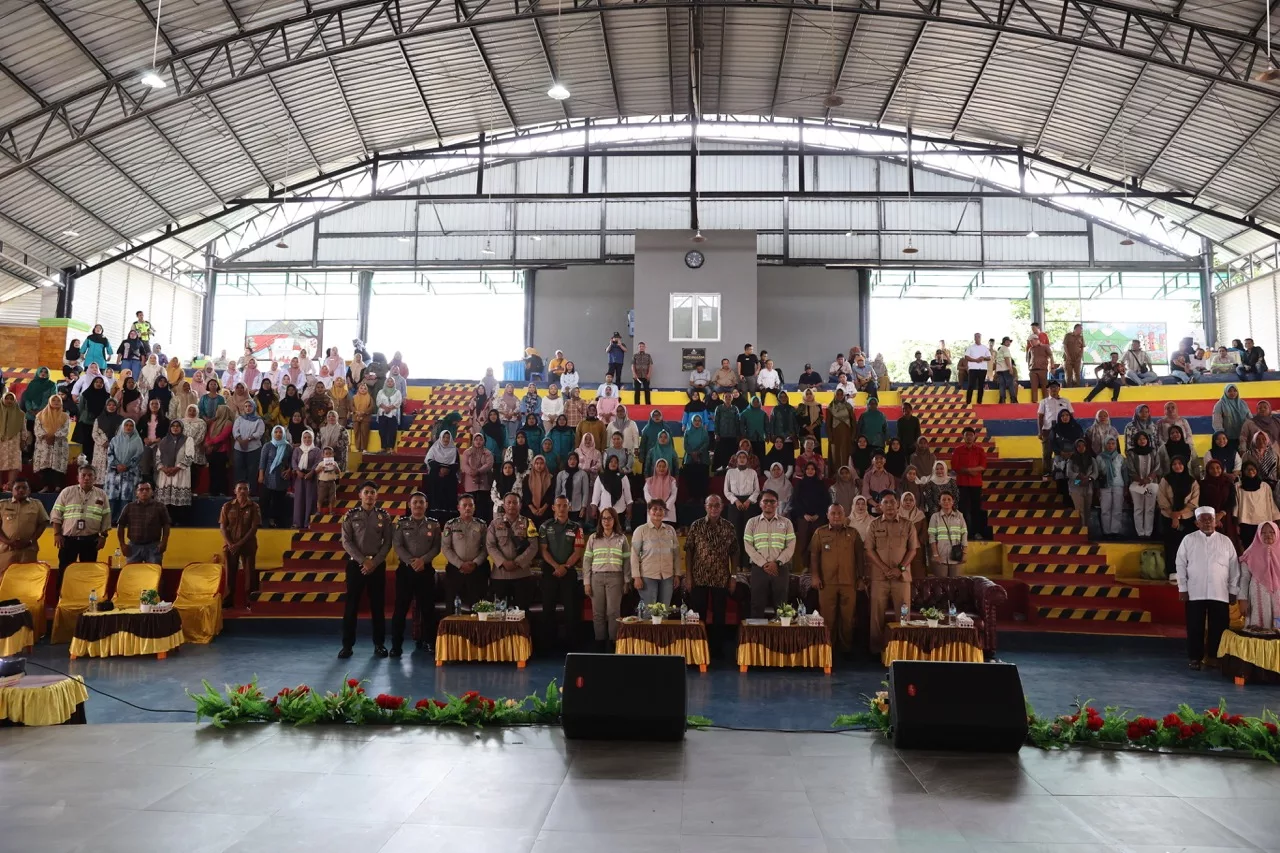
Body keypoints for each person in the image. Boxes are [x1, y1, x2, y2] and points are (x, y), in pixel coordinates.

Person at [1176, 506, 1240, 669]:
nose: (1207, 522)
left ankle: (1215, 657)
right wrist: (1182, 587)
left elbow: (1234, 567)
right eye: (1203, 520)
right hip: (1194, 591)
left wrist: (1233, 590)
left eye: (1210, 519)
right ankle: (1195, 658)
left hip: (1220, 591)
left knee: (1219, 626)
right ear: (1197, 523)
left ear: (1216, 521)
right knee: (1194, 626)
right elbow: (1180, 564)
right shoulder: (1188, 540)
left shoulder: (1225, 541)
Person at [336, 482, 393, 659]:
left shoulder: (384, 516)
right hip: (356, 565)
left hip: (376, 565)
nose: (369, 495)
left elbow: (388, 542)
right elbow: (346, 542)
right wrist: (363, 561)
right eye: (366, 492)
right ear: (360, 495)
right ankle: (347, 646)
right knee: (351, 606)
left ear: (376, 496)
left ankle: (379, 644)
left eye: (372, 492)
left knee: (377, 606)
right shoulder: (350, 516)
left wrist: (374, 562)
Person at [387, 492, 442, 658]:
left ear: (426, 505)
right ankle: (396, 645)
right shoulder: (402, 524)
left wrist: (422, 561)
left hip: (425, 571)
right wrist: (412, 562)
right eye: (415, 502)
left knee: (428, 609)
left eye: (421, 502)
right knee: (400, 610)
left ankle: (429, 642)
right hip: (406, 571)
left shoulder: (434, 524)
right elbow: (398, 545)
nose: (418, 505)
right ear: (410, 505)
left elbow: (436, 547)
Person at [865, 493, 918, 653]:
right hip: (879, 578)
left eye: (892, 502)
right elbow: (869, 550)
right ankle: (876, 651)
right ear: (880, 506)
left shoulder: (908, 525)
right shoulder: (873, 525)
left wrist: (900, 568)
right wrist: (884, 568)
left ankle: (902, 650)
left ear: (898, 505)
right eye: (885, 502)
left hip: (901, 578)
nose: (889, 506)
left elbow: (913, 550)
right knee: (876, 616)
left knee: (903, 614)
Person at [49, 466, 110, 587]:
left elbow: (106, 517)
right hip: (68, 540)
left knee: (88, 573)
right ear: (78, 478)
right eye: (84, 475)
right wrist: (56, 534)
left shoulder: (102, 494)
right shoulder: (67, 492)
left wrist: (103, 537)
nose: (87, 478)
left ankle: (86, 602)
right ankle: (60, 601)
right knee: (64, 571)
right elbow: (56, 514)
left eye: (90, 475)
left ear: (95, 478)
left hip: (90, 540)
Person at [538, 496, 584, 650]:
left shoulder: (577, 528)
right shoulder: (545, 526)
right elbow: (543, 550)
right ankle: (547, 646)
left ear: (569, 507)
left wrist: (565, 566)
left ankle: (572, 646)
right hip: (550, 572)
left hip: (569, 572)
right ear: (553, 507)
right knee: (547, 609)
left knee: (571, 610)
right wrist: (556, 566)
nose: (562, 509)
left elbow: (578, 552)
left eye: (565, 506)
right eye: (559, 505)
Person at [742, 489, 796, 618]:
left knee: (782, 606)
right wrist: (764, 564)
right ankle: (756, 638)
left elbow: (791, 546)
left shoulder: (787, 523)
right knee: (757, 605)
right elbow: (748, 546)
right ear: (760, 503)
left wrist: (776, 563)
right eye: (765, 501)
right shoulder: (752, 522)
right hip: (759, 569)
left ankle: (781, 637)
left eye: (772, 501)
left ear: (777, 503)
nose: (769, 504)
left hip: (780, 568)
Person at [583, 506, 630, 648]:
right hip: (596, 578)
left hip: (616, 578)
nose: (606, 521)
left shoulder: (622, 539)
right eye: (603, 518)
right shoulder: (593, 538)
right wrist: (586, 582)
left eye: (609, 518)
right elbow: (587, 561)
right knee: (598, 613)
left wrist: (627, 580)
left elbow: (627, 561)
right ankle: (600, 643)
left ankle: (613, 644)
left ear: (614, 520)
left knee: (613, 612)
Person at [486, 492, 538, 610]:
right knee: (499, 614)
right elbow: (490, 546)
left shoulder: (528, 523)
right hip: (500, 576)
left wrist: (517, 562)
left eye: (515, 502)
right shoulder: (494, 524)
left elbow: (533, 546)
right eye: (508, 502)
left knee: (522, 612)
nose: (511, 505)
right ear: (503, 505)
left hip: (521, 574)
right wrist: (503, 562)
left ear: (520, 505)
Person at [631, 499, 681, 606]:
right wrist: (636, 577)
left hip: (667, 577)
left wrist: (677, 575)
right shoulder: (641, 530)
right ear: (649, 511)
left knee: (664, 611)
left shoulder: (670, 530)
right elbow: (634, 555)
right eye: (654, 509)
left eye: (661, 509)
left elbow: (676, 555)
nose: (658, 512)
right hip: (648, 577)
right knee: (649, 613)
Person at [1158, 455, 1199, 577]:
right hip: (1168, 517)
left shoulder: (1192, 481)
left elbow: (1194, 501)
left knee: (1187, 546)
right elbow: (1162, 499)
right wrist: (1173, 515)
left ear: (1184, 465)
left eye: (1180, 464)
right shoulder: (1165, 480)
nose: (1177, 466)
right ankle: (1172, 571)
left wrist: (1179, 514)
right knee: (1171, 544)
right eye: (1174, 464)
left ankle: (1188, 571)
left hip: (1187, 518)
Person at [0, 478, 48, 579]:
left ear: (29, 491)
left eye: (24, 488)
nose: (21, 490)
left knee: (26, 579)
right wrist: (8, 542)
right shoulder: (2, 505)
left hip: (28, 549)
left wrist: (31, 540)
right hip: (7, 550)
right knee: (5, 578)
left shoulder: (36, 504)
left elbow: (43, 523)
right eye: (17, 488)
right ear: (12, 490)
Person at [115, 481, 170, 566]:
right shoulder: (129, 507)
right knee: (132, 575)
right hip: (133, 546)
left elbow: (166, 524)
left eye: (147, 489)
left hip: (153, 546)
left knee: (154, 574)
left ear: (152, 492)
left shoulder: (160, 506)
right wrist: (122, 544)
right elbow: (120, 525)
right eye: (141, 489)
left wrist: (164, 542)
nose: (144, 492)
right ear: (136, 493)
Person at [1239, 520, 1280, 631]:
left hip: (1278, 595)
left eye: (1271, 532)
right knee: (1259, 630)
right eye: (1263, 532)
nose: (1268, 535)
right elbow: (1244, 578)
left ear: (1277, 533)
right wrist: (1242, 599)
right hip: (1258, 596)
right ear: (1258, 534)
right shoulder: (1249, 553)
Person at [952, 427, 988, 539]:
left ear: (974, 437)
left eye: (971, 435)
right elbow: (955, 466)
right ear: (963, 437)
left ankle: (976, 532)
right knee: (962, 509)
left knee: (976, 509)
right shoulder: (958, 450)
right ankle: (964, 532)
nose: (968, 437)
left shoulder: (980, 450)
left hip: (976, 484)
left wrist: (969, 470)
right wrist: (970, 471)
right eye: (966, 435)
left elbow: (983, 466)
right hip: (962, 484)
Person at [154, 420, 193, 520]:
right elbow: (158, 457)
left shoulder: (187, 440)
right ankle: (166, 521)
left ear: (181, 428)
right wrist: (164, 468)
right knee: (165, 501)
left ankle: (179, 522)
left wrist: (176, 468)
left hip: (180, 472)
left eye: (178, 426)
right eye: (173, 426)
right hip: (165, 473)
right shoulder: (164, 440)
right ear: (170, 428)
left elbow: (189, 456)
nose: (175, 428)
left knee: (178, 502)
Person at [1036, 381, 1073, 481]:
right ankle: (1046, 474)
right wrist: (1040, 432)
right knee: (1047, 453)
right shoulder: (1044, 402)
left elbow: (1071, 416)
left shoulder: (1066, 401)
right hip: (1048, 430)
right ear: (1048, 389)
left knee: (1062, 452)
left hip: (1063, 431)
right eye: (1051, 387)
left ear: (1059, 388)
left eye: (1056, 387)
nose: (1053, 389)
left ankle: (1062, 473)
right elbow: (1040, 417)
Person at [926, 491, 967, 578]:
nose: (946, 501)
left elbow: (964, 534)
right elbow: (932, 537)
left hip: (956, 556)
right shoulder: (935, 517)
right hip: (941, 556)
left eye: (949, 499)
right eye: (943, 499)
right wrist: (935, 555)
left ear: (953, 502)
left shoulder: (959, 516)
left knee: (955, 584)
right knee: (941, 584)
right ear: (939, 502)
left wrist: (964, 553)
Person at [257, 425, 292, 528]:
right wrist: (261, 475)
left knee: (279, 502)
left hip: (281, 478)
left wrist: (289, 470)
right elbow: (262, 462)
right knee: (264, 500)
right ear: (273, 433)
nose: (278, 434)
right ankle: (261, 522)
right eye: (276, 432)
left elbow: (291, 462)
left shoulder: (288, 447)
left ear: (284, 434)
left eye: (280, 432)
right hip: (268, 477)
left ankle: (276, 522)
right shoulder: (267, 446)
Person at [961, 332, 990, 404]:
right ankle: (968, 402)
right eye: (976, 337)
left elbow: (989, 357)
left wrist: (983, 358)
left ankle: (979, 402)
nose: (977, 338)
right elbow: (966, 357)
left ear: (980, 338)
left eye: (979, 337)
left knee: (981, 386)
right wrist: (975, 360)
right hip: (973, 369)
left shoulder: (984, 348)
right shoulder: (971, 347)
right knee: (971, 385)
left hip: (982, 369)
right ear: (974, 338)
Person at [375, 377, 402, 453]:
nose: (390, 383)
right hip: (382, 413)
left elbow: (398, 401)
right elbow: (378, 401)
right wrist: (385, 408)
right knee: (382, 431)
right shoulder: (381, 392)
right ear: (386, 383)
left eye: (391, 381)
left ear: (394, 383)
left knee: (392, 431)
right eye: (388, 381)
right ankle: (383, 447)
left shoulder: (397, 392)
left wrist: (390, 408)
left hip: (393, 414)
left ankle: (391, 448)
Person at [1026, 334, 1054, 404]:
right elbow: (1029, 359)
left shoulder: (1045, 347)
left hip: (1043, 370)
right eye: (1030, 342)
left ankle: (1047, 402)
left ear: (1036, 340)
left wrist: (1052, 366)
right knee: (1033, 387)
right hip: (1032, 370)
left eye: (1031, 341)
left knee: (1044, 386)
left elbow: (1051, 356)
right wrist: (1029, 368)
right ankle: (1034, 402)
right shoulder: (1030, 349)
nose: (1030, 343)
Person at [992, 337, 1019, 403]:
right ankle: (1013, 399)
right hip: (1005, 369)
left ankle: (1002, 399)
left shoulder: (1000, 350)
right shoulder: (1005, 348)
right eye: (1008, 341)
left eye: (1010, 341)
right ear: (1005, 342)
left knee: (1002, 385)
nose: (1009, 343)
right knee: (1010, 384)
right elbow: (1007, 358)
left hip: (999, 370)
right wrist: (1010, 368)